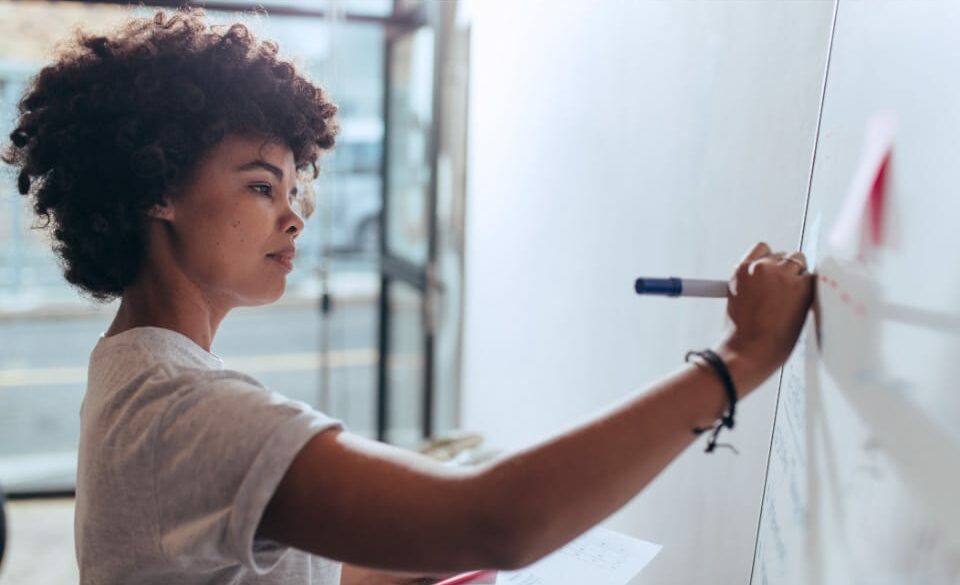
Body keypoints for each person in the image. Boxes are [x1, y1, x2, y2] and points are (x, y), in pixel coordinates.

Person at [2, 9, 814, 585]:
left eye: (294, 187)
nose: (294, 214)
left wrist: (403, 569)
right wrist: (739, 359)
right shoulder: (182, 411)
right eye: (260, 185)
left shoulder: (135, 372)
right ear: (157, 189)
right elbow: (501, 520)